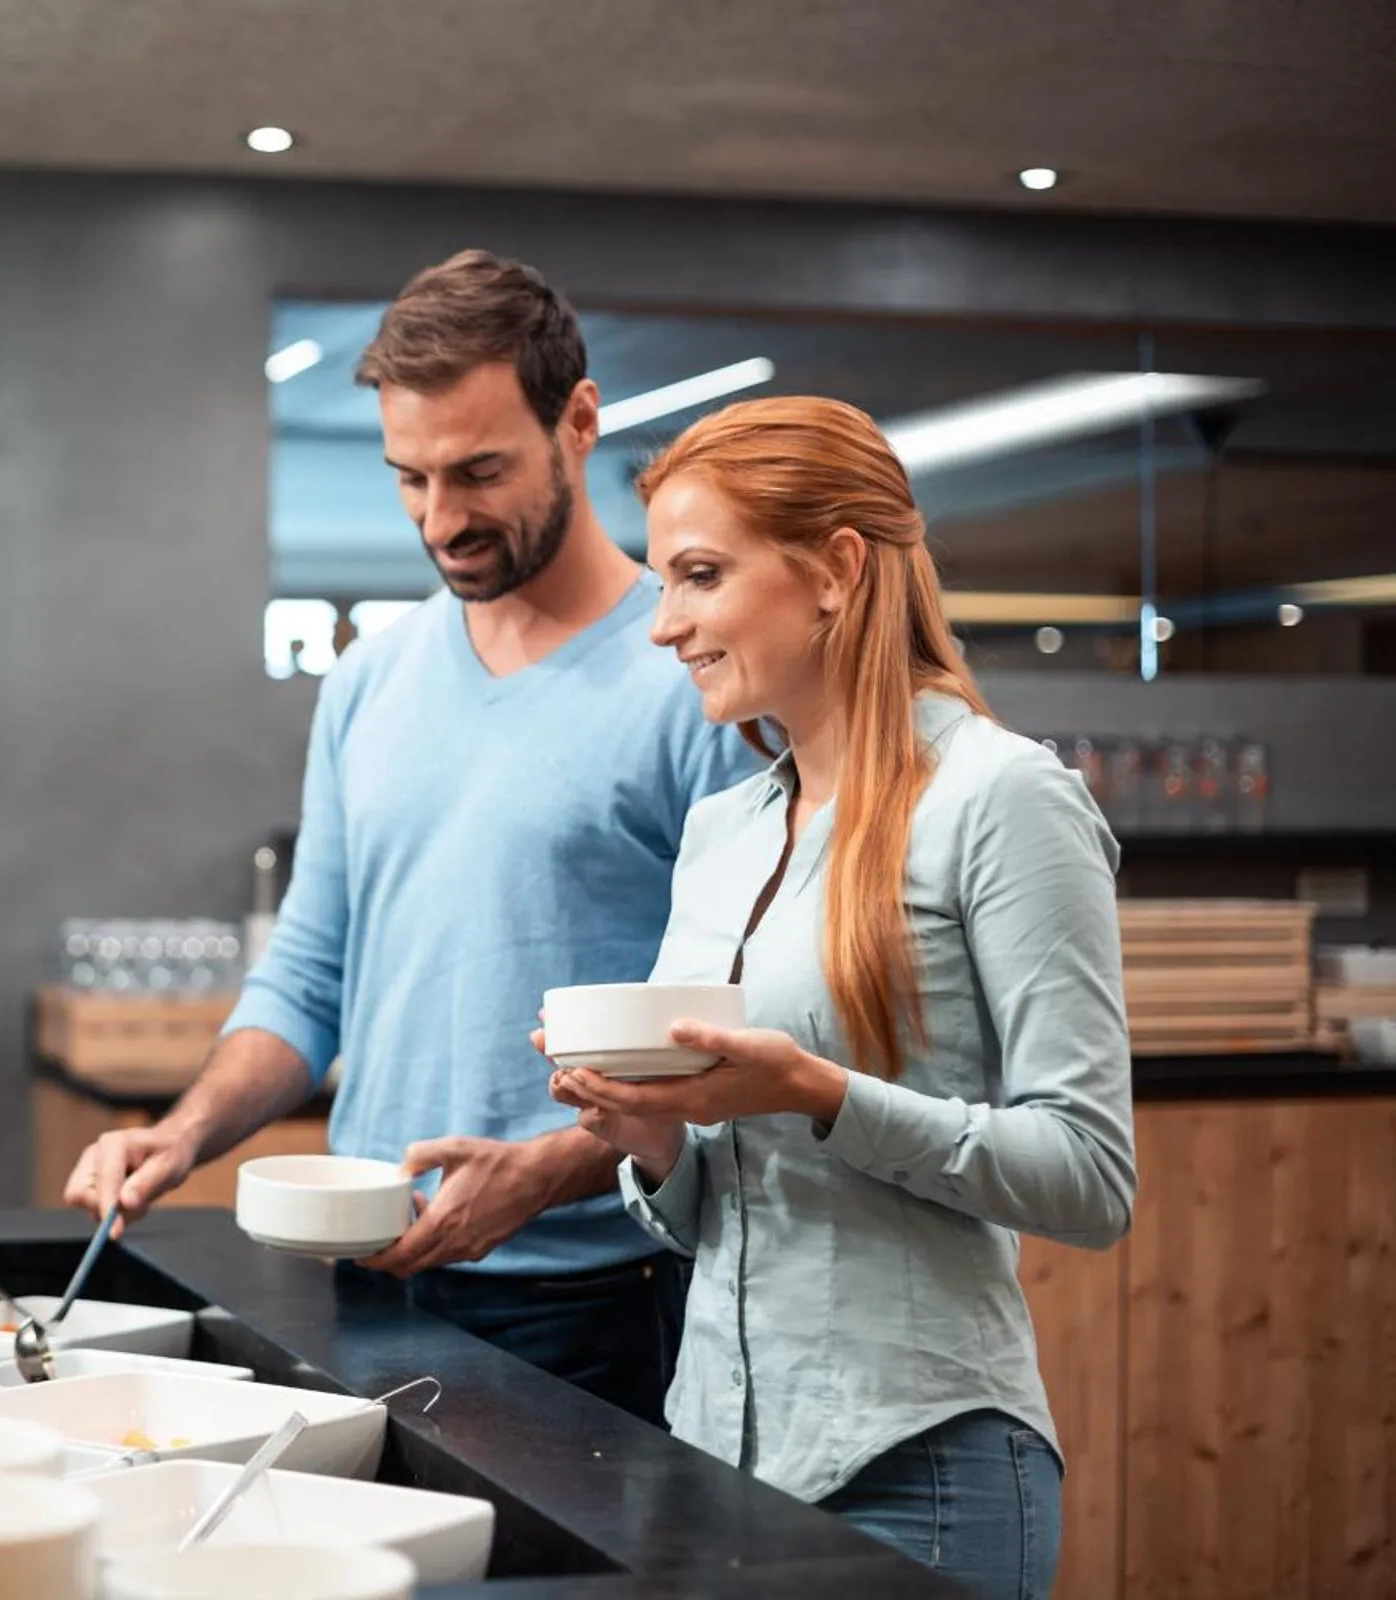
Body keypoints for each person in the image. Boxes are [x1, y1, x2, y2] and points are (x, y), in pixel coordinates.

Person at [63, 251, 753, 1423]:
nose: (443, 520)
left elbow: (735, 1030)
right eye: (409, 479)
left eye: (480, 472)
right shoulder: (368, 682)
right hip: (369, 1279)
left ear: (579, 422)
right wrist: (181, 1134)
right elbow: (308, 973)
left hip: (600, 1289)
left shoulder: (689, 677)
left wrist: (541, 1173)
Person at [547, 395, 1136, 1598]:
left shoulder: (1000, 799)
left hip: (919, 1468)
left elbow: (1090, 1177)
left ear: (837, 569)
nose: (665, 626)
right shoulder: (721, 830)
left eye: (700, 575)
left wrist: (821, 1094)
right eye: (663, 582)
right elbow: (722, 1207)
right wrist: (654, 1141)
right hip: (709, 1453)